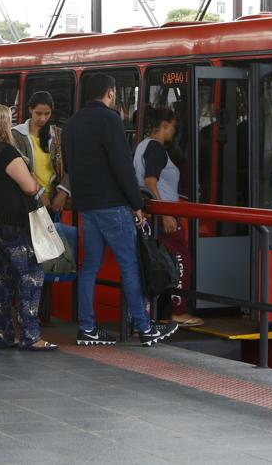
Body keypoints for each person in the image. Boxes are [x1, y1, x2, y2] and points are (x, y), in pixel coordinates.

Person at [62, 73, 179, 347]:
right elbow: (122, 166)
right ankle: (144, 327)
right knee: (130, 265)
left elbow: (68, 166)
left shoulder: (71, 125)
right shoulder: (110, 120)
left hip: (86, 206)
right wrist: (137, 205)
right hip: (112, 205)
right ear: (110, 93)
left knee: (89, 266)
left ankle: (88, 328)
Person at [0, 104, 57, 351]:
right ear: (1, 124)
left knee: (3, 281)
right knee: (30, 277)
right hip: (14, 225)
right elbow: (30, 187)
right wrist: (31, 173)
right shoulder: (6, 152)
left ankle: (4, 335)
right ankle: (31, 336)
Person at [134, 107, 198, 325]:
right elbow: (151, 182)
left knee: (158, 262)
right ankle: (178, 310)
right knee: (182, 259)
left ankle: (157, 312)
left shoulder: (141, 146)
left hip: (150, 215)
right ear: (164, 126)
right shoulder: (158, 149)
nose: (174, 131)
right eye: (172, 127)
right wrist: (165, 214)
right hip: (163, 215)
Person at [11, 90, 78, 253]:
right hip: (28, 202)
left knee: (51, 253)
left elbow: (72, 166)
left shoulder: (58, 134)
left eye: (47, 114)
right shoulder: (17, 134)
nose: (42, 118)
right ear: (30, 110)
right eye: (38, 113)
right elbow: (21, 170)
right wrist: (40, 194)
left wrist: (62, 194)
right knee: (30, 251)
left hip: (54, 203)